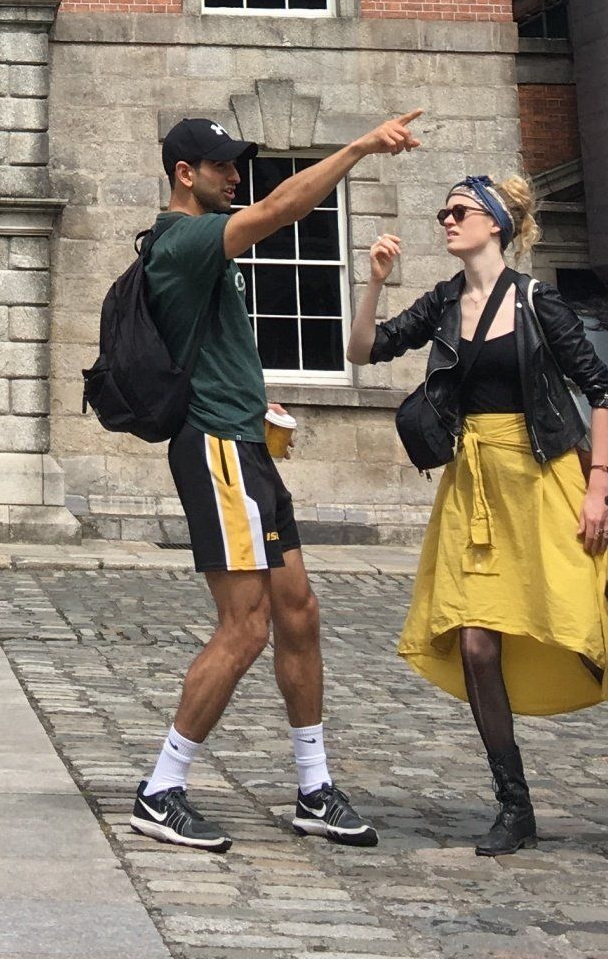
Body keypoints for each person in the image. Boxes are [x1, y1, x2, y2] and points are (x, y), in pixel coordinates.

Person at [348, 174, 608, 859]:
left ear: (497, 224)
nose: (446, 219)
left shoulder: (538, 301)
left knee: (594, 635)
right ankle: (514, 804)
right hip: (472, 487)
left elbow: (600, 391)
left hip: (545, 482)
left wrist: (597, 489)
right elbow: (363, 350)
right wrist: (376, 281)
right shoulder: (445, 301)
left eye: (459, 210)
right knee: (476, 643)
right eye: (442, 210)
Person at [130, 109, 422, 856]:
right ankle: (161, 790)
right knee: (247, 625)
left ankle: (313, 788)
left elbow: (214, 349)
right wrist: (357, 145)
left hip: (245, 442)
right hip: (217, 452)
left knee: (299, 611)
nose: (235, 175)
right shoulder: (183, 239)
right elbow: (280, 210)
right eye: (222, 165)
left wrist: (257, 401)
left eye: (237, 165)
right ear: (183, 175)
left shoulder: (201, 249)